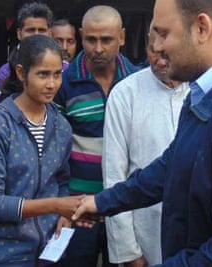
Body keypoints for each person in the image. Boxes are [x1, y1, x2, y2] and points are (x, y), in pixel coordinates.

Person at [72, 0, 212, 266]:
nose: (157, 46)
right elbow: (173, 165)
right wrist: (103, 202)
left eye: (164, 33)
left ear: (201, 28)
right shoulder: (207, 92)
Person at [0, 35, 81, 267]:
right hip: (4, 253)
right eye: (43, 74)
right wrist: (55, 206)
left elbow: (61, 180)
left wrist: (63, 216)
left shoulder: (60, 126)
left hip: (48, 250)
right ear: (21, 73)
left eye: (57, 74)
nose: (51, 84)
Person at [53, 5, 139, 267]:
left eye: (107, 39)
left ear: (122, 38)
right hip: (79, 207)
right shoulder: (64, 82)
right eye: (91, 39)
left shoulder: (136, 81)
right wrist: (61, 204)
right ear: (81, 36)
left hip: (125, 205)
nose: (98, 48)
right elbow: (54, 151)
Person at [102, 27, 189, 267]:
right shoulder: (125, 94)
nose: (160, 61)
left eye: (167, 53)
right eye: (154, 51)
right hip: (144, 235)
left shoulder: (201, 90)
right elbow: (114, 175)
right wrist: (127, 252)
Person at [0, 2, 54, 102]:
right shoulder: (6, 72)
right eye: (31, 30)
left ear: (50, 33)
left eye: (42, 30)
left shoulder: (63, 69)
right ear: (19, 34)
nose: (36, 35)